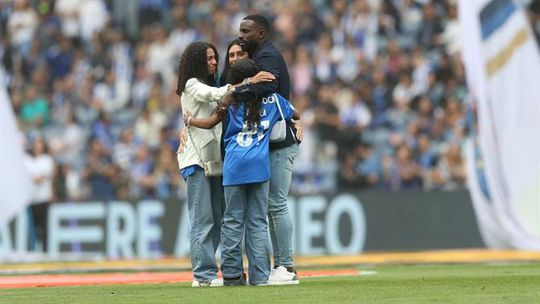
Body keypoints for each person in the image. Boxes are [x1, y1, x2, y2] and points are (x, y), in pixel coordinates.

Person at [185, 58, 300, 286]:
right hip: (259, 165)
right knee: (257, 221)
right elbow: (296, 114)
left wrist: (190, 121)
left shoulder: (229, 101)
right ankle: (259, 277)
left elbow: (211, 121)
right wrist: (294, 123)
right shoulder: (274, 100)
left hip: (234, 165)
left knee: (232, 221)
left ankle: (232, 275)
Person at [236, 14, 300, 284]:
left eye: (245, 31)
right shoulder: (262, 55)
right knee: (271, 206)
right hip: (270, 141)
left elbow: (269, 84)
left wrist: (241, 88)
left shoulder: (268, 56)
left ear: (260, 34)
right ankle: (281, 265)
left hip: (279, 142)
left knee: (276, 204)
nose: (241, 35)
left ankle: (286, 265)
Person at [175, 41, 234, 288]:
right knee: (202, 219)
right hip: (195, 161)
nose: (213, 62)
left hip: (211, 161)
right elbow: (213, 94)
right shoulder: (191, 85)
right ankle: (203, 276)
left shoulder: (207, 86)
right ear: (198, 61)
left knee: (217, 218)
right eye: (209, 58)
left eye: (214, 58)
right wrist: (241, 85)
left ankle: (208, 270)